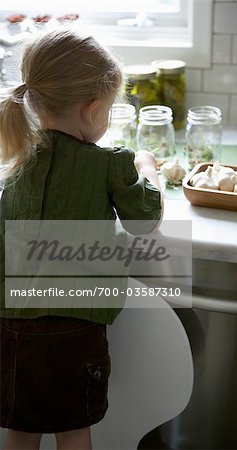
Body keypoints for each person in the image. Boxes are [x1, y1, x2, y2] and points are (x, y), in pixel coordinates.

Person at [0, 29, 162, 450]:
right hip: (74, 331)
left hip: (10, 328)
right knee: (74, 432)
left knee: (21, 430)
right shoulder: (110, 164)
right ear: (93, 111)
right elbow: (144, 221)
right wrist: (148, 169)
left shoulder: (16, 160)